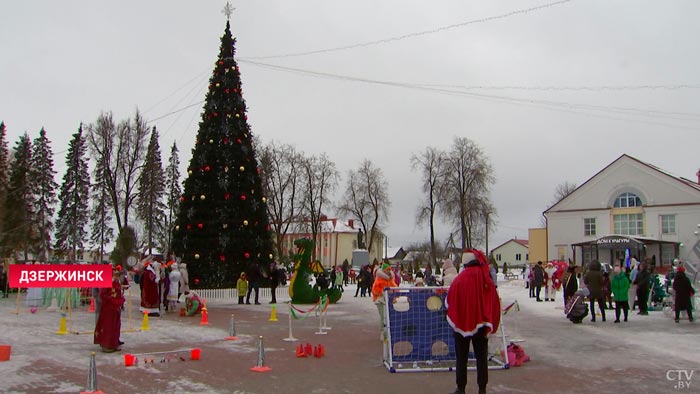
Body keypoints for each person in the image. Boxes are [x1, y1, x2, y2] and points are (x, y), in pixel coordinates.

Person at [446, 250, 501, 394]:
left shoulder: (460, 278)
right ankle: (482, 388)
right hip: (482, 325)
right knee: (481, 358)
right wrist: (491, 320)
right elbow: (494, 301)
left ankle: (461, 388)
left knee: (461, 357)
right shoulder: (485, 277)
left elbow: (450, 299)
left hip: (461, 323)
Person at [94, 266, 125, 353]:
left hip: (115, 308)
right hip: (108, 308)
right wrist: (112, 300)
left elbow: (119, 293)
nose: (117, 276)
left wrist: (120, 300)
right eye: (115, 275)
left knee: (115, 326)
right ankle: (106, 344)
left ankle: (114, 343)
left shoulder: (116, 283)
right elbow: (102, 295)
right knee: (108, 326)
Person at [371, 262, 397, 341]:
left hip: (389, 300)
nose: (388, 271)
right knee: (383, 317)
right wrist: (382, 292)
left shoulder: (391, 280)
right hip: (380, 300)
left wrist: (394, 294)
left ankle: (388, 333)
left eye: (389, 270)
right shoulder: (379, 279)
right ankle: (383, 333)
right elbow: (375, 290)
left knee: (389, 317)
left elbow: (394, 288)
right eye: (387, 270)